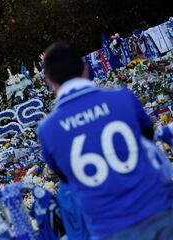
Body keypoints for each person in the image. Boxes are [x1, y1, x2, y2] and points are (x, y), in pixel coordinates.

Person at [38, 43, 173, 239]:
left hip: (109, 228)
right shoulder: (122, 98)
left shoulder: (47, 130)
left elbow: (66, 176)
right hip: (158, 209)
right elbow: (147, 139)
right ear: (85, 68)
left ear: (50, 82)